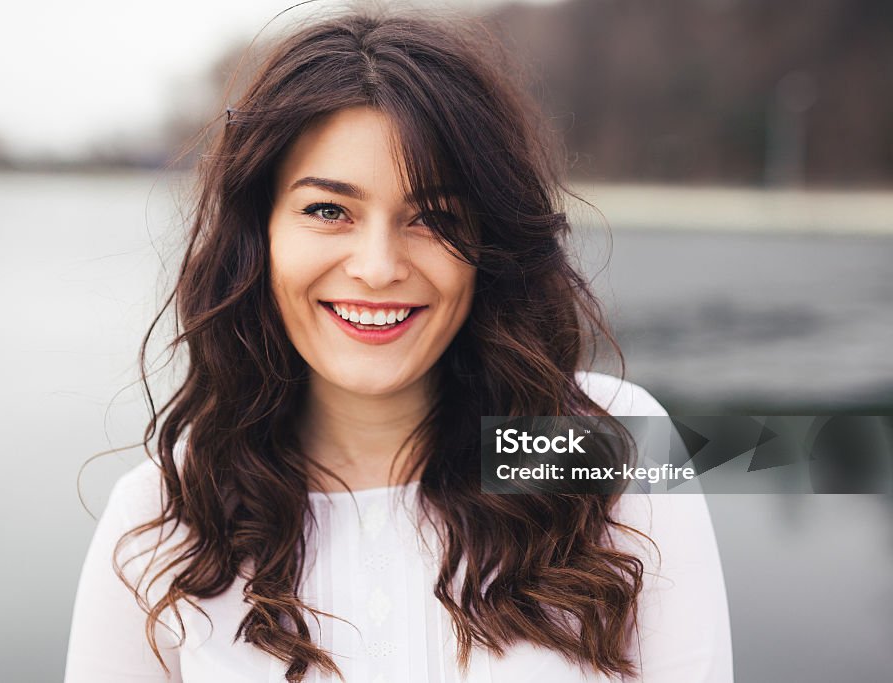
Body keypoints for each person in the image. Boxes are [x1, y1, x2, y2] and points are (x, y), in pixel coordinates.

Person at [64, 7, 732, 682]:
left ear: (488, 246)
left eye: (433, 217)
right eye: (329, 210)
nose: (378, 266)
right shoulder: (161, 516)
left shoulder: (611, 447)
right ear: (258, 236)